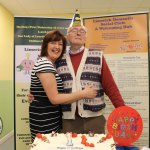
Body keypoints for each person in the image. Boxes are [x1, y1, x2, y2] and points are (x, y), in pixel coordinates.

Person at [28, 10, 125, 135]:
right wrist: (33, 92)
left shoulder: (97, 56)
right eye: (74, 30)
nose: (78, 33)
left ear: (85, 38)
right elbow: (46, 82)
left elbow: (110, 87)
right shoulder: (58, 59)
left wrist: (122, 111)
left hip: (94, 119)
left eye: (82, 31)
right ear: (67, 37)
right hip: (68, 121)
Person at [29, 30, 97, 142]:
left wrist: (33, 94)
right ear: (45, 45)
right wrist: (83, 93)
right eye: (53, 43)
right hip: (44, 124)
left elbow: (39, 88)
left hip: (49, 121)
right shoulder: (44, 64)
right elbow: (55, 98)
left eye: (60, 44)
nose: (57, 47)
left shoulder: (51, 64)